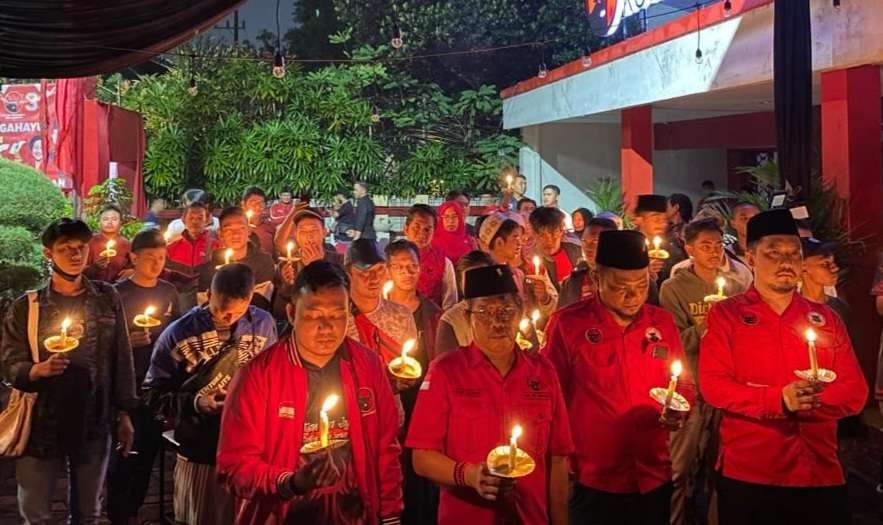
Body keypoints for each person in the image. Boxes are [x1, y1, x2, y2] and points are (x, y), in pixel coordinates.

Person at [699, 209, 868, 525]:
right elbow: (713, 386)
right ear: (751, 258)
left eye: (793, 253)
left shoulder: (827, 319)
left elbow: (855, 392)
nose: (785, 262)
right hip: (750, 470)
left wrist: (810, 400)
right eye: (773, 253)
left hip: (818, 470)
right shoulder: (727, 315)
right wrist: (779, 400)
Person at [216, 261, 403, 524]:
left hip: (354, 513)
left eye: (337, 315)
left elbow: (385, 448)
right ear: (292, 313)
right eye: (314, 315)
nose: (326, 328)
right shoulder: (259, 376)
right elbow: (234, 467)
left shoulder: (367, 365)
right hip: (283, 513)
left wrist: (391, 515)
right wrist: (291, 482)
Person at [543, 229, 695, 524]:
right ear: (597, 279)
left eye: (641, 285)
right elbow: (551, 398)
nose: (633, 295)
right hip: (593, 477)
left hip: (653, 472)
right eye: (620, 286)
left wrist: (679, 409)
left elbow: (683, 383)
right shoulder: (568, 324)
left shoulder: (660, 322)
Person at [407, 264, 574, 525]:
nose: (497, 323)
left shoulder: (543, 371)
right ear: (467, 316)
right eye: (484, 312)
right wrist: (469, 475)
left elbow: (559, 457)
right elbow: (422, 457)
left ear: (520, 313)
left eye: (506, 311)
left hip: (530, 517)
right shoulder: (446, 372)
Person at [1, 218, 138, 525]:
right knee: (37, 515)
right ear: (48, 253)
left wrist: (124, 413)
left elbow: (121, 356)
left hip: (94, 419)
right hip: (41, 424)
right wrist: (38, 369)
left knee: (89, 513)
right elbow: (9, 365)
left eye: (81, 247)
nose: (76, 255)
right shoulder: (28, 306)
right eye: (66, 249)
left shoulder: (106, 297)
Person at [143, 263, 278, 525]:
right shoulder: (179, 334)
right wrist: (196, 402)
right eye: (220, 310)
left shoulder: (263, 324)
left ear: (250, 299)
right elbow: (153, 395)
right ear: (207, 294)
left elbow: (271, 377)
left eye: (235, 313)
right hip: (201, 448)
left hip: (250, 445)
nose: (226, 318)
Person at [659, 219, 750, 525]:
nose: (713, 252)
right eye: (705, 246)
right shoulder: (674, 288)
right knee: (679, 467)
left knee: (721, 467)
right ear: (689, 249)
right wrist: (706, 324)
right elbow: (675, 342)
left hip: (726, 389)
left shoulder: (737, 288)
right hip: (692, 387)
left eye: (717, 244)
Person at [108, 229, 181, 525]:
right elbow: (104, 339)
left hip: (157, 383)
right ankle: (116, 512)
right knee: (123, 453)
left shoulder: (168, 292)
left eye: (161, 258)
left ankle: (134, 509)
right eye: (149, 257)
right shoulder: (117, 293)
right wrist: (127, 340)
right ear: (134, 257)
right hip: (127, 382)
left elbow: (179, 330)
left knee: (147, 452)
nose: (156, 264)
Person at [344, 239, 418, 365]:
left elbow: (409, 364)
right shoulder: (338, 318)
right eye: (365, 273)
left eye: (380, 270)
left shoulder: (401, 316)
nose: (374, 278)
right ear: (349, 274)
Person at [197, 207, 276, 313]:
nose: (235, 234)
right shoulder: (209, 268)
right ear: (220, 234)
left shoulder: (263, 262)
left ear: (249, 230)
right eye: (229, 230)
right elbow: (204, 306)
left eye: (241, 228)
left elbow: (261, 301)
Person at [480, 212, 557, 317]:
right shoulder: (480, 276)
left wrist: (544, 297)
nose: (520, 242)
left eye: (521, 237)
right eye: (515, 237)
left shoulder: (521, 273)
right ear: (499, 242)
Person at [274, 207, 343, 318]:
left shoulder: (340, 261)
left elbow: (341, 302)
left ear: (324, 232)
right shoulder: (287, 265)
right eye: (303, 231)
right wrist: (287, 287)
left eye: (314, 230)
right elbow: (278, 312)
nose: (309, 236)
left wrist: (319, 267)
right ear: (296, 234)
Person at [386, 239, 442, 369]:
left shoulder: (433, 314)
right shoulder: (377, 309)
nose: (407, 272)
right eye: (399, 267)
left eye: (413, 266)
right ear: (388, 271)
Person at [435, 251, 495, 354]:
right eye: (470, 280)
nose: (476, 284)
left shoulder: (506, 311)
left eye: (482, 277)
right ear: (460, 284)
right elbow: (444, 365)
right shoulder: (451, 321)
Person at [403, 204, 458, 310]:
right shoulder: (393, 260)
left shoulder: (444, 263)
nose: (421, 234)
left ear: (434, 232)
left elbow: (450, 303)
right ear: (406, 229)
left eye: (427, 229)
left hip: (432, 322)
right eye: (416, 227)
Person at [558, 217, 618, 309]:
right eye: (584, 241)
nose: (588, 247)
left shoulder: (629, 279)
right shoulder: (572, 282)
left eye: (595, 241)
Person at [634, 194, 687, 283]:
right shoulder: (628, 246)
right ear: (639, 220)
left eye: (664, 219)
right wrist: (643, 273)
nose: (662, 224)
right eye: (656, 219)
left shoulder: (673, 246)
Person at [528, 206, 581, 290]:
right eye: (542, 235)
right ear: (534, 233)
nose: (549, 240)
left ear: (562, 230)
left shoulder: (577, 249)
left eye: (554, 233)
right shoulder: (528, 258)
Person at [85, 204, 132, 283]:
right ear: (99, 222)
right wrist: (93, 268)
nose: (109, 222)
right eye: (105, 219)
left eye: (114, 219)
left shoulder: (127, 244)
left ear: (121, 222)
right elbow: (78, 269)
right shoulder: (89, 242)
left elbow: (136, 266)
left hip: (119, 288)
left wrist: (131, 272)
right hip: (92, 287)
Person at [166, 201, 215, 276]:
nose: (195, 221)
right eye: (191, 218)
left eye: (200, 218)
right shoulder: (170, 249)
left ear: (207, 221)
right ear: (183, 220)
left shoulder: (217, 246)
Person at [241, 186, 276, 255]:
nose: (258, 206)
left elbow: (275, 252)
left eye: (261, 203)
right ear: (243, 204)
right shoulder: (236, 227)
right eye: (253, 202)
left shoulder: (270, 226)